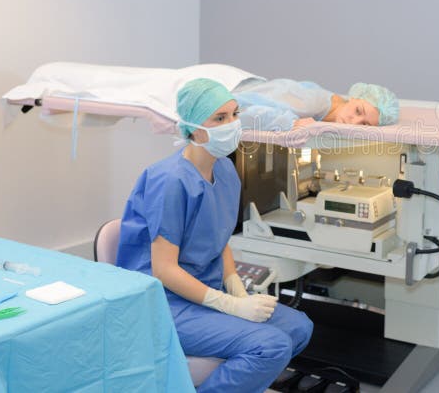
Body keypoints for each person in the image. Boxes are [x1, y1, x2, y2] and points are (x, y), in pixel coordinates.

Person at [116, 78, 313, 393]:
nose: (232, 124)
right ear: (194, 130)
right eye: (219, 118)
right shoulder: (169, 181)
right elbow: (163, 270)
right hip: (164, 303)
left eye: (234, 114)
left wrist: (236, 287)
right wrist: (229, 305)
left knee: (299, 327)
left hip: (204, 290)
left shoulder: (225, 171)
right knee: (271, 345)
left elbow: (219, 239)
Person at [233, 79, 399, 130]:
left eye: (364, 124)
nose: (354, 122)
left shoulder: (331, 104)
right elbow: (236, 111)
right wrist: (290, 123)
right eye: (358, 111)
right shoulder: (311, 103)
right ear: (354, 97)